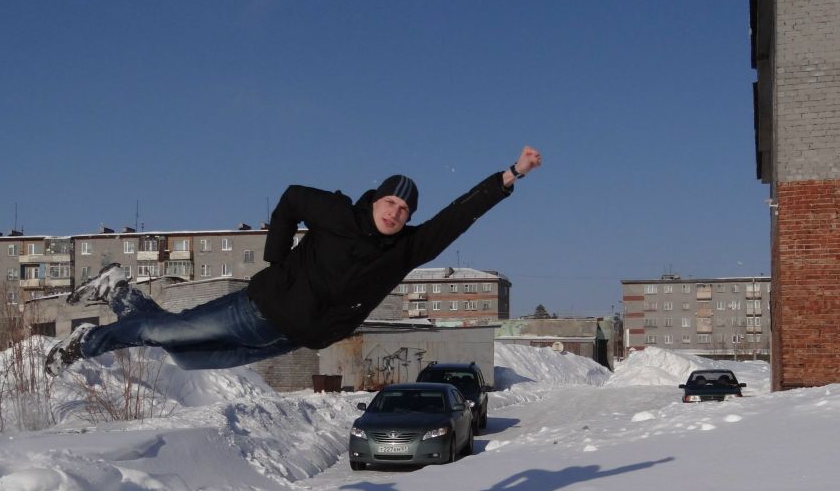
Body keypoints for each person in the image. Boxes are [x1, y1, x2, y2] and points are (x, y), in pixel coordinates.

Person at [45, 145, 543, 375]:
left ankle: (118, 291)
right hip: (258, 309)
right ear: (376, 199)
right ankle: (85, 343)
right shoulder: (339, 215)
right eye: (391, 202)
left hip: (293, 337)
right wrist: (276, 259)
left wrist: (510, 176)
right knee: (164, 333)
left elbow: (459, 215)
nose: (396, 212)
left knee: (187, 357)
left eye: (405, 210)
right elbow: (290, 198)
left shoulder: (406, 250)